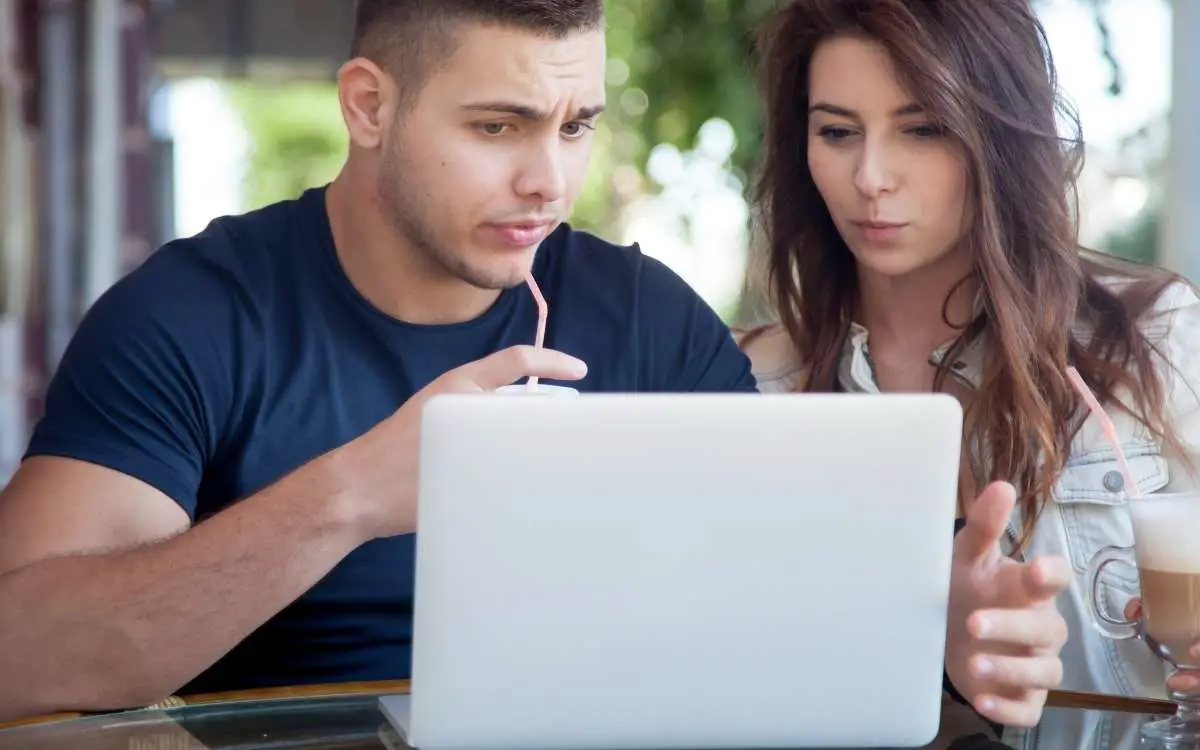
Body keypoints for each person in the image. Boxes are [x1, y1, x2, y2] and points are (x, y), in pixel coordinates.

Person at [0, 0, 1059, 728]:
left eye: (577, 123)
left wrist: (932, 644)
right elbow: (23, 657)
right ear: (369, 106)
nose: (548, 180)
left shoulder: (646, 319)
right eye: (498, 125)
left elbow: (781, 633)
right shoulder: (192, 316)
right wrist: (354, 496)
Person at [739, 0, 1200, 748]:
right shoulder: (751, 388)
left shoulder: (1158, 340)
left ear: (999, 135)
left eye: (923, 129)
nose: (872, 176)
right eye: (836, 132)